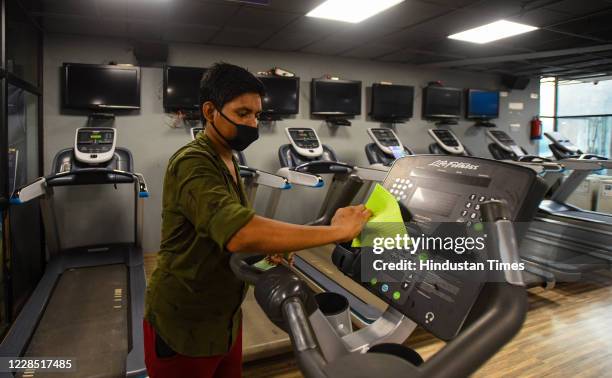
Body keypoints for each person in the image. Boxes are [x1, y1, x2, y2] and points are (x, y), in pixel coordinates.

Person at [144, 62, 371, 378]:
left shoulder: (228, 157)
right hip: (185, 322)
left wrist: (268, 246)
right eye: (242, 114)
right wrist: (337, 231)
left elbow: (239, 221)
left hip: (224, 318)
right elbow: (240, 232)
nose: (253, 123)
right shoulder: (193, 162)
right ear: (210, 112)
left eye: (257, 115)